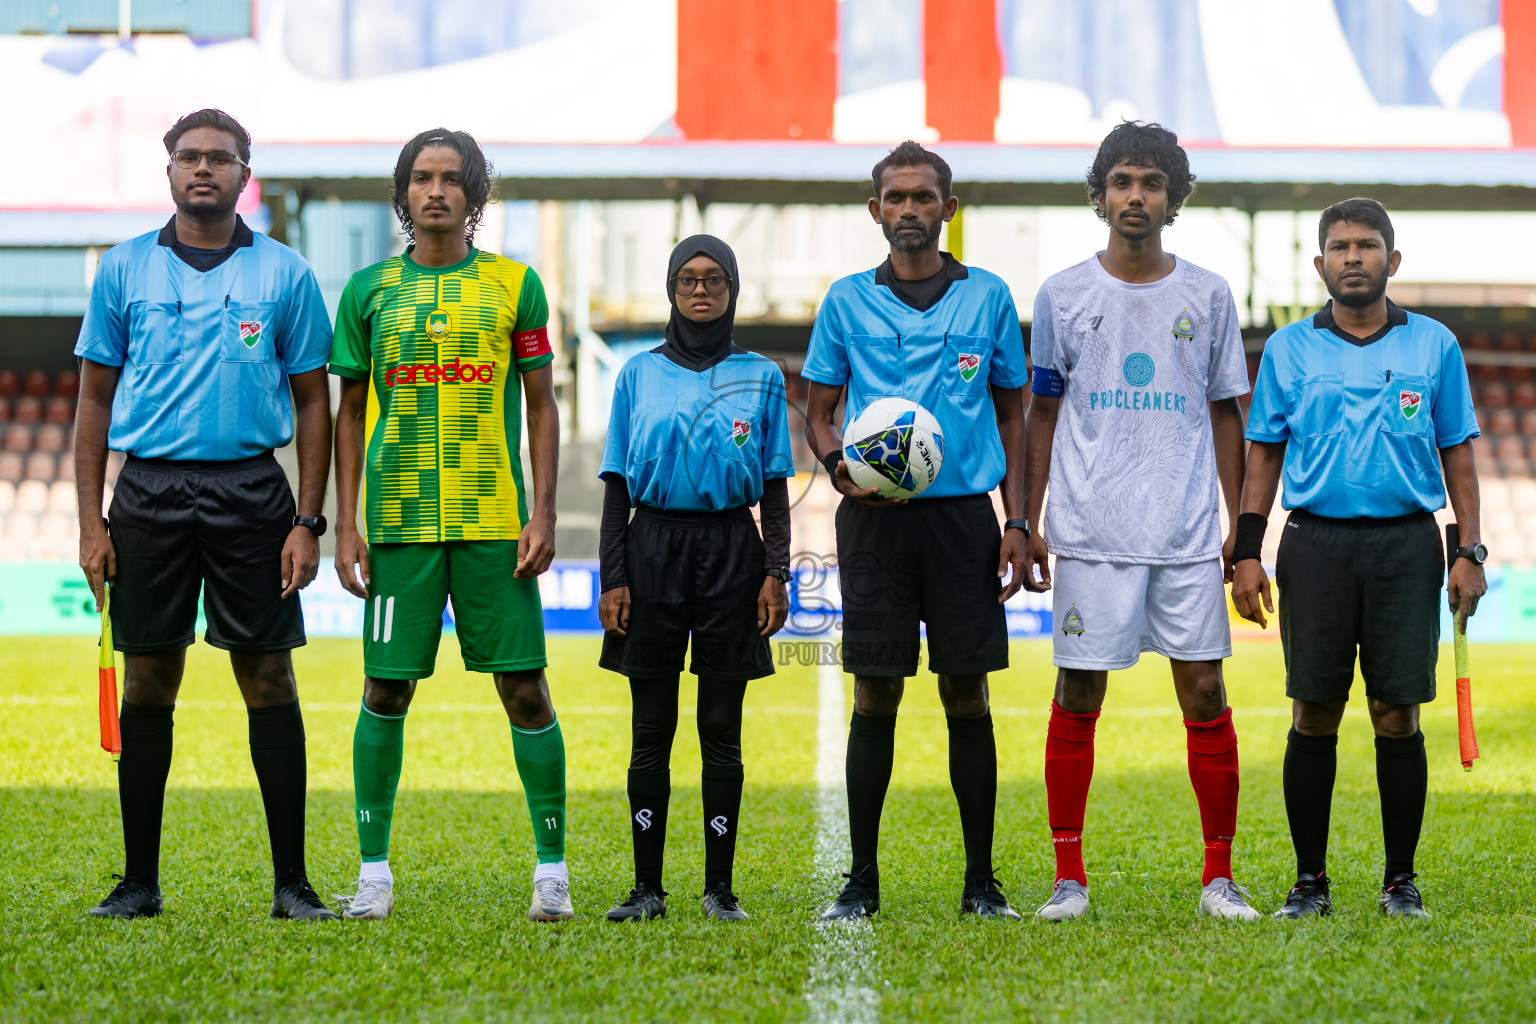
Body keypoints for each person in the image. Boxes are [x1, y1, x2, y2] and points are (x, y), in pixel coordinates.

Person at [74, 108, 335, 920]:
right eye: (189, 157)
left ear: (242, 173)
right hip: (148, 493)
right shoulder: (123, 271)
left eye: (221, 159)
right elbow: (92, 400)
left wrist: (309, 519)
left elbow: (314, 403)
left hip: (252, 492)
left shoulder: (285, 273)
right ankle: (139, 882)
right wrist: (91, 524)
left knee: (267, 674)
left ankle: (291, 883)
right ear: (169, 171)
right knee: (150, 677)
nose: (203, 170)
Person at [328, 129, 570, 922]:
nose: (436, 191)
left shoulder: (515, 285)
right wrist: (346, 526)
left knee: (524, 688)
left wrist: (543, 509)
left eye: (451, 179)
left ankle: (552, 873)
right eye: (422, 179)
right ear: (404, 196)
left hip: (493, 522)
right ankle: (373, 875)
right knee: (384, 690)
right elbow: (349, 409)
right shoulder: (367, 291)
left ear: (474, 195)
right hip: (397, 524)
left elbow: (540, 401)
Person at [1023, 121, 1259, 922]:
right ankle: (1068, 880)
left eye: (1151, 183)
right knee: (1079, 691)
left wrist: (1240, 530)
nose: (1136, 196)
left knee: (1203, 690)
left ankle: (1219, 881)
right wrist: (1030, 517)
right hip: (1091, 527)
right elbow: (1042, 414)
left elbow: (1229, 414)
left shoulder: (1209, 293)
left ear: (1174, 197)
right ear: (1099, 196)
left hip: (1185, 530)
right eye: (1122, 181)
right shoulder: (1061, 295)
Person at [1232, 197, 1484, 920]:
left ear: (1391, 261)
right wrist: (1248, 552)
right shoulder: (1288, 349)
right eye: (1339, 247)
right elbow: (1264, 456)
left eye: (1367, 246)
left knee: (1395, 713)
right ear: (1319, 265)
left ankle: (1399, 881)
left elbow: (1458, 451)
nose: (1352, 257)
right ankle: (1309, 881)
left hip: (1407, 545)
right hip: (1314, 544)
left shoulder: (1434, 346)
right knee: (1313, 710)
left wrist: (1467, 549)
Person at [803, 142, 1030, 921]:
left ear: (948, 209)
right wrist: (840, 470)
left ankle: (981, 883)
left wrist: (1018, 520)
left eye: (923, 197)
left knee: (967, 694)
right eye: (894, 198)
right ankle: (860, 882)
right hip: (874, 522)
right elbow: (820, 411)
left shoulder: (989, 297)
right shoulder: (845, 302)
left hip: (966, 518)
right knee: (876, 692)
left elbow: (1013, 412)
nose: (909, 210)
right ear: (876, 212)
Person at [597, 235, 794, 923]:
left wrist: (776, 572)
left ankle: (720, 889)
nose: (701, 289)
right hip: (651, 547)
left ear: (733, 289)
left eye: (714, 279)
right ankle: (646, 888)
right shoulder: (635, 374)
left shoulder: (762, 375)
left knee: (720, 726)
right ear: (672, 288)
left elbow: (772, 486)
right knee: (651, 727)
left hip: (731, 551)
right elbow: (617, 486)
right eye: (687, 278)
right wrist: (613, 577)